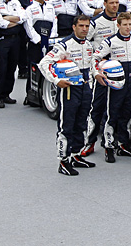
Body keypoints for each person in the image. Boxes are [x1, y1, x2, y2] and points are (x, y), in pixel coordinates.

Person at [38, 14, 96, 176]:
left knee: (82, 123)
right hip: (69, 91)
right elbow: (44, 64)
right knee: (67, 125)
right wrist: (56, 81)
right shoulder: (64, 45)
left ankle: (76, 155)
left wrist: (91, 85)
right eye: (81, 26)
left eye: (87, 26)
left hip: (85, 89)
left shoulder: (89, 46)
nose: (84, 29)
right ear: (74, 27)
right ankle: (63, 161)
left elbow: (91, 68)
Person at [94, 12, 131, 163]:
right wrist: (99, 73)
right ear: (118, 25)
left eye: (130, 24)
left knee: (126, 114)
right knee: (111, 115)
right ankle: (108, 147)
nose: (128, 27)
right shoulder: (110, 42)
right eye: (125, 25)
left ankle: (123, 145)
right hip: (116, 84)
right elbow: (95, 58)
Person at [80, 0, 121, 157]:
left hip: (118, 72)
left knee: (112, 111)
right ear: (104, 4)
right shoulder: (95, 23)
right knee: (96, 109)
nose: (114, 5)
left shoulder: (121, 21)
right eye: (111, 2)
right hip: (100, 72)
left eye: (117, 2)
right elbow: (85, 43)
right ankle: (89, 143)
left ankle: (109, 145)